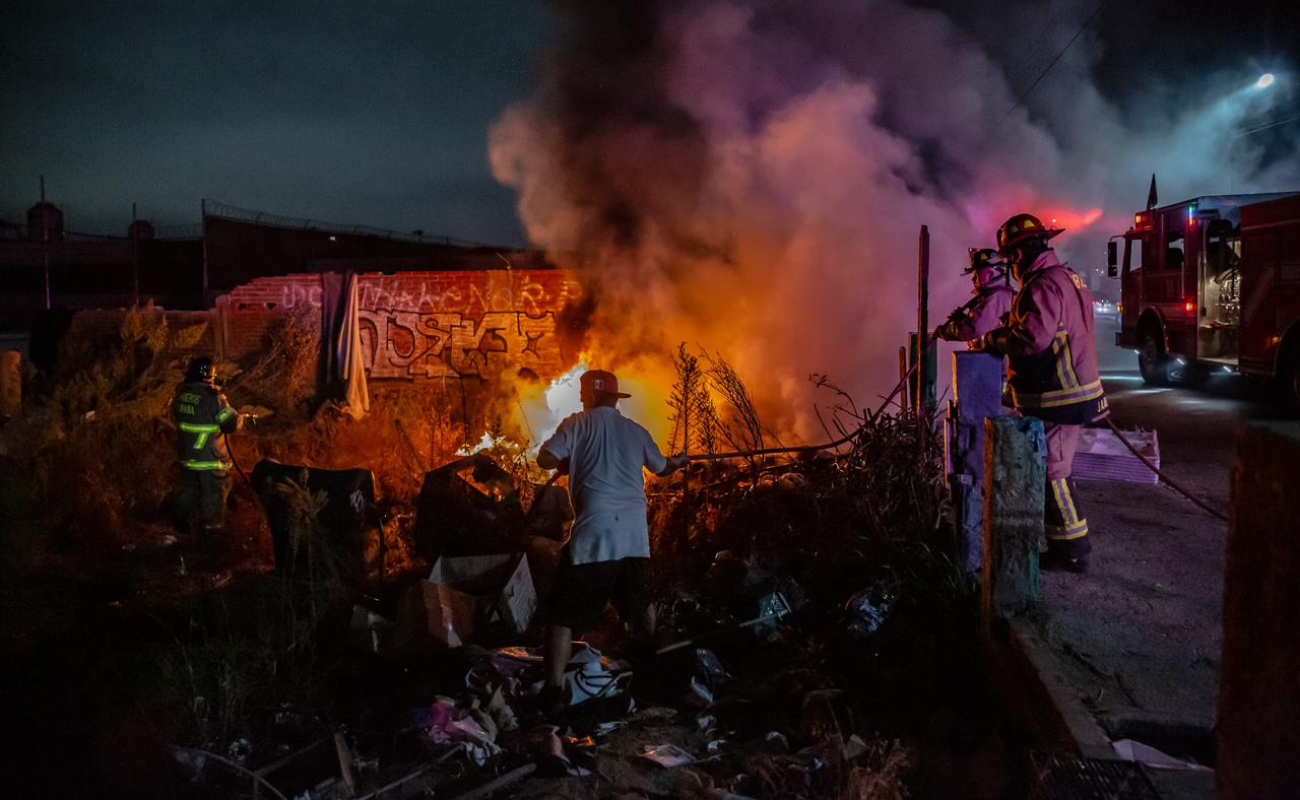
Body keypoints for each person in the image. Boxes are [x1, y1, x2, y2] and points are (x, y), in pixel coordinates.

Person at [535, 369, 687, 714]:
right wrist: (679, 461)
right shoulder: (636, 431)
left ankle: (554, 691)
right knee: (638, 605)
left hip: (595, 532)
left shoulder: (577, 423)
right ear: (616, 399)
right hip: (633, 534)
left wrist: (569, 460)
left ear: (586, 397)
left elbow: (544, 459)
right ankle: (649, 673)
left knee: (560, 614)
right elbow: (662, 467)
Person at [976, 213, 1109, 573]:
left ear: (1018, 255)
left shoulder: (1040, 285)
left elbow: (1033, 339)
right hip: (1072, 390)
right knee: (1056, 469)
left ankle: (1074, 552)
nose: (1009, 267)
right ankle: (1066, 546)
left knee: (1054, 472)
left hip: (1059, 396)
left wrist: (994, 339)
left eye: (1009, 258)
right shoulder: (1066, 277)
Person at [173, 356, 244, 542]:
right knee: (214, 496)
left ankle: (179, 520)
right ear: (209, 376)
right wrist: (240, 415)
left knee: (191, 490)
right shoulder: (214, 398)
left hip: (187, 457)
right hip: (209, 459)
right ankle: (211, 537)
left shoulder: (181, 394)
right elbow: (231, 424)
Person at [935, 248, 1016, 342]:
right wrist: (963, 319)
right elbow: (987, 324)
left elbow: (972, 330)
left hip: (998, 356)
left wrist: (945, 332)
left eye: (977, 274)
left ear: (989, 273)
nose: (973, 279)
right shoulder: (999, 294)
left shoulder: (998, 297)